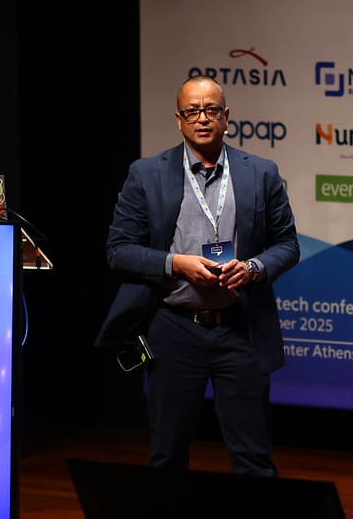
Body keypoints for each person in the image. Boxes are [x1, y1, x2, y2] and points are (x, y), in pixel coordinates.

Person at [95, 74, 300, 477]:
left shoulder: (261, 173)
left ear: (226, 116)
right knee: (167, 456)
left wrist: (254, 268)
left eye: (211, 110)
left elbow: (287, 245)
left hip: (239, 329)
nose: (202, 118)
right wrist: (177, 264)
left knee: (254, 458)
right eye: (192, 111)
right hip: (174, 329)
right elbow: (118, 251)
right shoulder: (147, 174)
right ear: (179, 119)